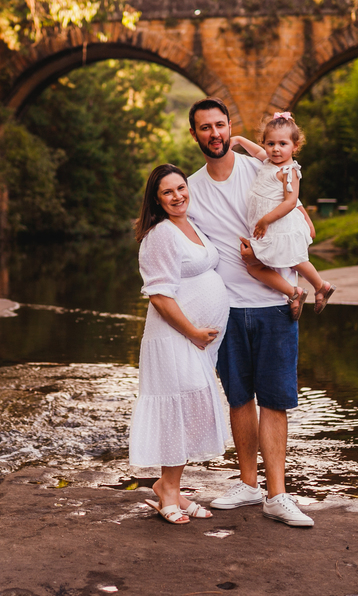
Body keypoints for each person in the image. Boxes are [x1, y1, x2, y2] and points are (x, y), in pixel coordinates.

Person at [184, 98, 316, 527]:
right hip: (225, 308)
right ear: (195, 135)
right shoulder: (191, 187)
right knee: (239, 397)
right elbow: (176, 231)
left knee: (275, 400)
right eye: (205, 128)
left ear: (228, 128)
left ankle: (277, 495)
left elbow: (289, 195)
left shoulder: (256, 167)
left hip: (273, 305)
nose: (215, 133)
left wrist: (304, 215)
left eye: (220, 125)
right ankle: (247, 484)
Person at [128, 163, 231, 525]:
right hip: (173, 336)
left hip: (194, 339)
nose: (177, 196)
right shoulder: (160, 234)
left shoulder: (193, 225)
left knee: (192, 408)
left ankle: (169, 486)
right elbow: (158, 295)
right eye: (167, 192)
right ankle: (167, 491)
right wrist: (193, 331)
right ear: (157, 201)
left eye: (181, 188)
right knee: (180, 411)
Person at [230, 111, 335, 316]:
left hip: (281, 226)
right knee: (260, 264)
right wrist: (240, 140)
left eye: (282, 144)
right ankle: (304, 290)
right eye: (270, 144)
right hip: (269, 228)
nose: (275, 149)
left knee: (293, 260)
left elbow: (290, 201)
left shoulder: (289, 171)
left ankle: (317, 287)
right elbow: (257, 153)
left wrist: (266, 220)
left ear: (295, 146)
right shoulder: (269, 162)